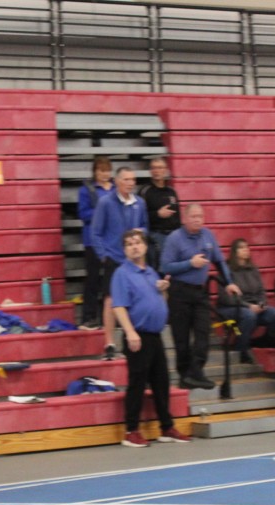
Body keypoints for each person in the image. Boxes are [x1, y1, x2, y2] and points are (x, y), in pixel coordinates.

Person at [110, 229, 190, 447]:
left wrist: (163, 290)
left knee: (161, 382)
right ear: (124, 250)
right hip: (138, 335)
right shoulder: (122, 274)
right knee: (137, 383)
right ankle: (131, 431)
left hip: (155, 335)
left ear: (145, 247)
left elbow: (160, 302)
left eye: (137, 242)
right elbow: (119, 306)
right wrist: (130, 332)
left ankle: (166, 427)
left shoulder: (151, 272)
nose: (134, 247)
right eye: (129, 244)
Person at [161, 204, 240, 389]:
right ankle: (184, 375)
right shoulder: (175, 238)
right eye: (194, 216)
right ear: (185, 218)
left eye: (200, 216)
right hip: (179, 292)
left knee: (203, 332)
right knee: (181, 337)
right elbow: (166, 267)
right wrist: (190, 263)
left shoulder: (208, 235)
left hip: (200, 291)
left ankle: (196, 371)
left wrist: (229, 282)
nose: (198, 220)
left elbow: (219, 261)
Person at [92, 167, 148, 360]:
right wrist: (103, 255)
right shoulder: (105, 202)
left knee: (134, 300)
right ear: (117, 181)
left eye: (133, 179)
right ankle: (109, 343)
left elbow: (145, 227)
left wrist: (141, 233)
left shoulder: (139, 203)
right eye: (126, 179)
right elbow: (96, 232)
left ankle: (129, 340)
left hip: (134, 259)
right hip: (114, 258)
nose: (130, 183)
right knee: (110, 300)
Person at [223, 238, 275, 362]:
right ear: (234, 251)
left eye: (247, 247)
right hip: (232, 307)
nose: (246, 250)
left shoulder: (253, 269)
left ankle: (266, 340)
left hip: (254, 306)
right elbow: (227, 298)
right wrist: (248, 306)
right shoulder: (227, 270)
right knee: (249, 315)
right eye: (241, 247)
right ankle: (241, 349)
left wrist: (262, 304)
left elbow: (261, 290)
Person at [76, 157, 115, 330]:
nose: (105, 174)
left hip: (112, 240)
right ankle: (89, 317)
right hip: (92, 240)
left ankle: (111, 318)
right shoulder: (86, 190)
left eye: (107, 170)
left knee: (112, 280)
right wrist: (103, 211)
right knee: (92, 279)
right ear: (95, 172)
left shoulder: (115, 189)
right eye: (101, 170)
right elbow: (83, 214)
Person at [138, 156, 181, 270]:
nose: (157, 171)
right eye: (154, 168)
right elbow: (140, 217)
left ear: (166, 170)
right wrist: (157, 214)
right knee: (159, 270)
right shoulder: (145, 191)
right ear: (150, 171)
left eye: (160, 167)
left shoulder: (172, 191)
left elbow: (178, 216)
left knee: (175, 269)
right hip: (156, 236)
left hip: (174, 236)